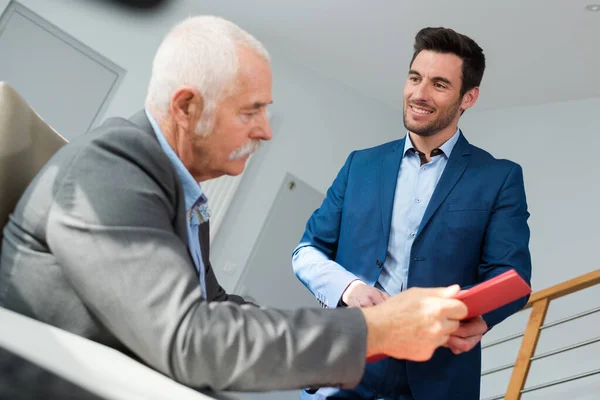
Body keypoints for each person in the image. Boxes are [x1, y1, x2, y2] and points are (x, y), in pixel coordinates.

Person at [0, 17, 471, 400]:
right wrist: (373, 330)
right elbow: (192, 338)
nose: (265, 131)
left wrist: (342, 341)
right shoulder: (112, 167)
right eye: (251, 111)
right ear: (186, 107)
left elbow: (213, 305)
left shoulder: (174, 190)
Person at [293, 27, 532, 400]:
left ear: (468, 97)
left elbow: (511, 275)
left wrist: (479, 318)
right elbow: (307, 251)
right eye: (414, 78)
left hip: (439, 377)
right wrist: (349, 288)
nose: (419, 94)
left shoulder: (499, 177)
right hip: (345, 361)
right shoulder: (360, 165)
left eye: (439, 84)